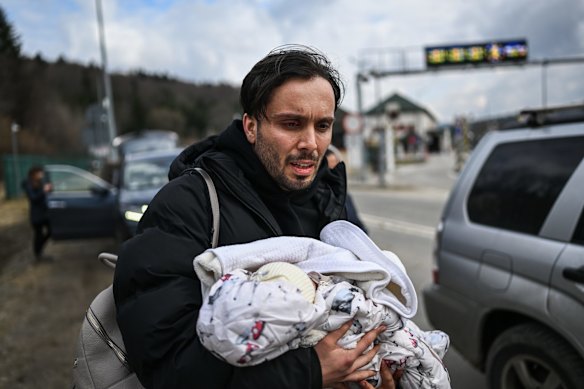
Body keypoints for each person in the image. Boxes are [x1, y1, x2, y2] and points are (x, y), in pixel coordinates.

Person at [113, 45, 398, 388]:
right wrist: (309, 372)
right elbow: (167, 361)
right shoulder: (189, 205)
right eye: (291, 124)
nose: (311, 142)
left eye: (322, 125)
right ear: (251, 126)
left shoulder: (328, 202)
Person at [325, 146, 368, 233]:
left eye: (336, 168)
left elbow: (357, 225)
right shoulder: (314, 198)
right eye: (329, 170)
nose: (334, 175)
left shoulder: (345, 197)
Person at [21, 165, 52, 261]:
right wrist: (44, 190)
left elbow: (42, 196)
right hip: (36, 214)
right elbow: (33, 198)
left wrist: (48, 190)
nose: (41, 175)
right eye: (40, 173)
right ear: (34, 174)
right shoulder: (28, 184)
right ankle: (38, 254)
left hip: (43, 213)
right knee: (38, 235)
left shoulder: (39, 182)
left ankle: (39, 251)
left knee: (50, 230)